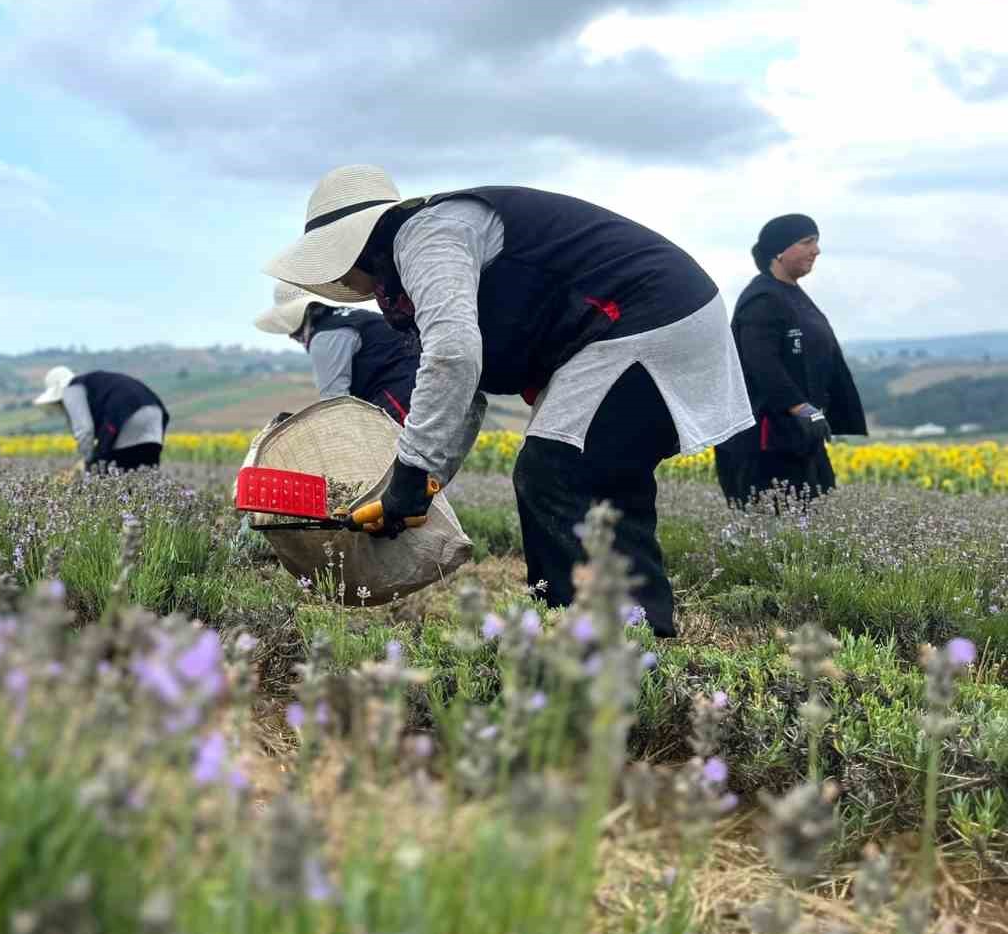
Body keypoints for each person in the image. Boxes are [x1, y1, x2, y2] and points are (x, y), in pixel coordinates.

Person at [264, 164, 753, 638]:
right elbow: (464, 394)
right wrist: (421, 485)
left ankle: (582, 637)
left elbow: (453, 357)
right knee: (603, 481)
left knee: (554, 472)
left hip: (644, 317)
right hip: (661, 315)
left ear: (355, 244)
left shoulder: (428, 236)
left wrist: (412, 474)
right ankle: (638, 636)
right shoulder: (420, 254)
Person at [714, 215, 866, 504]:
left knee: (816, 517)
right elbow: (761, 363)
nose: (816, 250)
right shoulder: (762, 300)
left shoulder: (792, 295)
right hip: (766, 440)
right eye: (807, 242)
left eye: (816, 242)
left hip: (799, 435)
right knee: (774, 524)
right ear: (779, 251)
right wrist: (800, 407)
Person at [254, 280, 419, 422]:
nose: (291, 336)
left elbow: (335, 404)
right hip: (420, 385)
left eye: (293, 331)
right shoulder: (350, 317)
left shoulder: (325, 337)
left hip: (402, 399)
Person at [33, 366, 170, 472]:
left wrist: (87, 462)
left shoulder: (71, 388)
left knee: (105, 475)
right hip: (155, 417)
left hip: (126, 417)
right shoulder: (95, 383)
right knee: (145, 482)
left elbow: (84, 430)